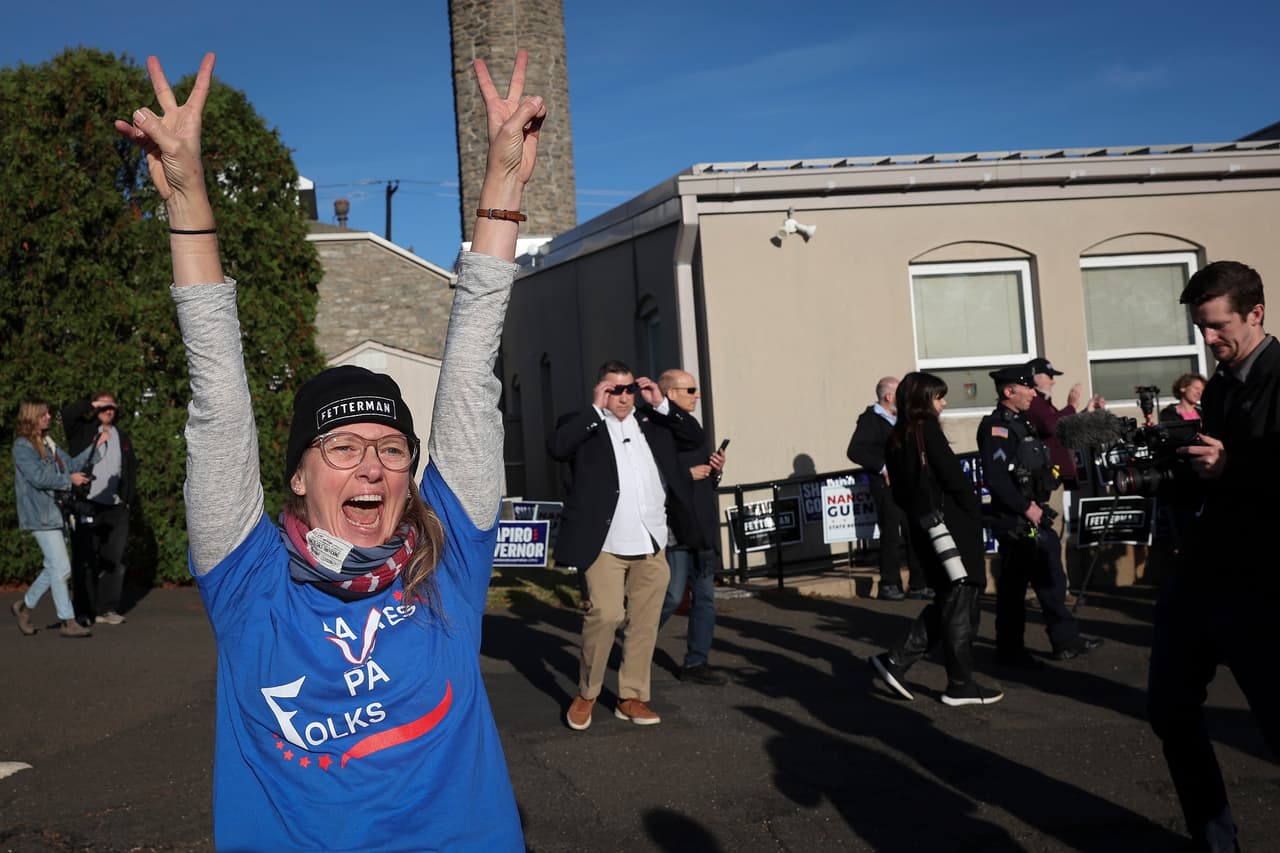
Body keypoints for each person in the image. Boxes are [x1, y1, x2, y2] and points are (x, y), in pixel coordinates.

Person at [114, 51, 540, 849]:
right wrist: (188, 197)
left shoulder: (449, 558)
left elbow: (473, 361)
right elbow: (217, 396)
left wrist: (504, 185)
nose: (372, 466)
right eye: (341, 446)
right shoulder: (248, 579)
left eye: (391, 448)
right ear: (299, 474)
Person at [1148, 260, 1279, 852]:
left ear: (1256, 313)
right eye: (1200, 326)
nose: (1207, 340)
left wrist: (1232, 468)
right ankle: (1215, 842)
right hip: (1201, 572)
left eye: (1218, 326)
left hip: (1262, 583)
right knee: (1169, 708)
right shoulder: (1223, 382)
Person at [550, 360, 705, 730]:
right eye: (614, 389)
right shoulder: (585, 425)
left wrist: (662, 403)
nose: (623, 396)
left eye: (628, 389)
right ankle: (587, 693)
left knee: (645, 622)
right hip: (605, 543)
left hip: (651, 539)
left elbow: (695, 439)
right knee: (605, 615)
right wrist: (595, 409)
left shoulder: (656, 422)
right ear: (601, 390)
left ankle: (631, 696)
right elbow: (557, 447)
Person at [868, 373, 1002, 706]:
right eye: (938, 397)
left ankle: (896, 660)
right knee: (961, 600)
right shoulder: (925, 430)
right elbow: (954, 479)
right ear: (924, 399)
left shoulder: (897, 435)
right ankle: (959, 683)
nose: (944, 403)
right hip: (951, 529)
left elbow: (899, 490)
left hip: (925, 529)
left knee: (950, 599)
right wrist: (973, 512)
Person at [977, 365, 1101, 667]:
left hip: (1035, 512)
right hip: (1017, 519)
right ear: (1009, 392)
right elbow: (997, 479)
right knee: (1014, 588)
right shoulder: (997, 427)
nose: (1034, 392)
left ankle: (1065, 641)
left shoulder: (1022, 423)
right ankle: (1010, 651)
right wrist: (1025, 507)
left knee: (1051, 579)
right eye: (1027, 388)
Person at [656, 369, 728, 686]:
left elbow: (702, 479)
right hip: (678, 525)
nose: (697, 395)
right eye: (690, 390)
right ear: (670, 394)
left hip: (703, 524)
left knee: (705, 596)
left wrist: (714, 470)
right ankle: (635, 642)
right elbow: (659, 476)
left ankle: (696, 662)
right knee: (672, 595)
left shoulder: (694, 428)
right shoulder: (661, 429)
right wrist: (689, 473)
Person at [10, 400, 104, 638]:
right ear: (33, 417)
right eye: (44, 414)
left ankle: (24, 606)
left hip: (55, 513)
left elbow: (70, 465)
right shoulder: (22, 446)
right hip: (40, 515)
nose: (49, 417)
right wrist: (68, 480)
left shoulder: (47, 443)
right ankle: (67, 620)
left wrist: (95, 447)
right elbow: (38, 477)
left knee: (53, 567)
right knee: (61, 567)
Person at [1024, 357, 1102, 603]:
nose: (1053, 381)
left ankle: (1058, 587)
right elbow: (1050, 426)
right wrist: (1071, 406)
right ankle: (1045, 589)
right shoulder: (1033, 402)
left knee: (1055, 533)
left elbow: (1060, 428)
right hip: (1043, 479)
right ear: (1035, 377)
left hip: (1053, 478)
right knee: (1045, 533)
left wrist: (1084, 413)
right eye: (1049, 376)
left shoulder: (1043, 403)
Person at [846, 376, 931, 601]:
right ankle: (889, 584)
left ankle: (919, 584)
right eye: (900, 392)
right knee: (891, 534)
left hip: (908, 484)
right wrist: (882, 466)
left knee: (915, 532)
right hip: (886, 486)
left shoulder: (902, 419)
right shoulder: (870, 420)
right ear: (889, 396)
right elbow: (856, 451)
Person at [62, 391, 138, 626]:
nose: (108, 411)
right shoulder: (82, 431)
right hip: (86, 504)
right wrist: (92, 403)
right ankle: (84, 611)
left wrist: (127, 500)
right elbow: (67, 413)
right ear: (96, 408)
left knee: (114, 561)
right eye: (104, 407)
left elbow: (130, 469)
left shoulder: (122, 436)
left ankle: (107, 609)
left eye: (112, 408)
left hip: (116, 507)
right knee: (85, 560)